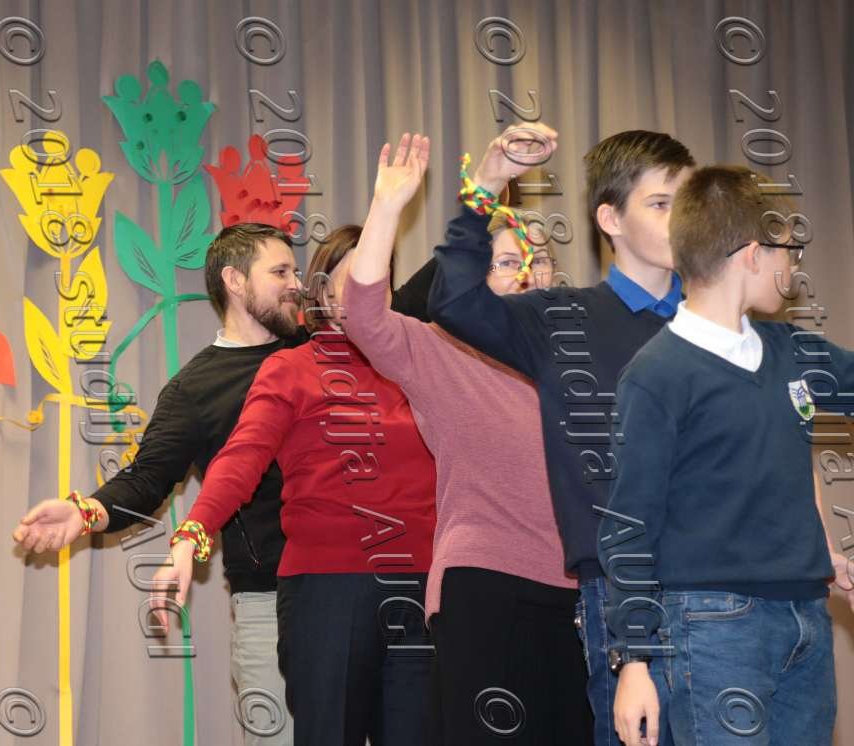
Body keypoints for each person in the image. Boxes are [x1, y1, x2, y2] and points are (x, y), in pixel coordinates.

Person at [11, 222, 438, 746]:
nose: (296, 284)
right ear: (235, 281)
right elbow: (150, 477)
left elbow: (405, 296)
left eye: (297, 272)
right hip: (280, 599)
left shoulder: (335, 345)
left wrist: (485, 203)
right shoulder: (200, 387)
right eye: (279, 272)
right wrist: (86, 513)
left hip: (395, 587)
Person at [149, 146, 439, 744]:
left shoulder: (418, 364)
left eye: (380, 278)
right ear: (322, 293)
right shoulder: (290, 369)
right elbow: (241, 459)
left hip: (420, 584)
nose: (370, 290)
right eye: (355, 278)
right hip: (329, 589)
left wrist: (488, 187)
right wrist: (189, 538)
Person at [427, 124, 695, 745]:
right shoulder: (562, 318)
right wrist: (485, 186)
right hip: (621, 589)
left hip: (726, 587)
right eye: (660, 203)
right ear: (610, 218)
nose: (681, 218)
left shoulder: (716, 321)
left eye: (688, 202)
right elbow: (455, 301)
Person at [341, 132, 591, 745]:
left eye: (540, 259)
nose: (528, 271)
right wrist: (388, 206)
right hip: (486, 584)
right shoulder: (439, 347)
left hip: (585, 596)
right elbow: (363, 315)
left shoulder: (582, 354)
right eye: (506, 262)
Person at [599, 165, 854, 746]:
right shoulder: (657, 374)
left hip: (805, 615)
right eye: (789, 252)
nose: (794, 268)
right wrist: (633, 660)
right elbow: (629, 524)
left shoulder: (791, 352)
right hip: (712, 624)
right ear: (754, 255)